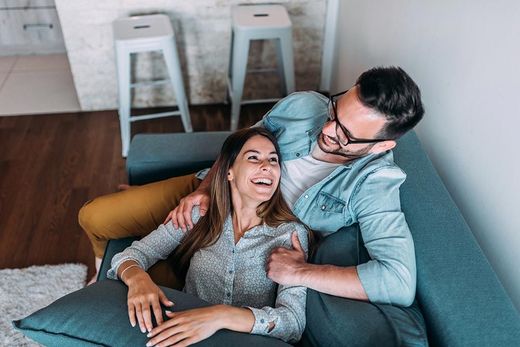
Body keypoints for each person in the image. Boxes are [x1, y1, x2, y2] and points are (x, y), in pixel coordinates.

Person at [80, 66, 427, 346]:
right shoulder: (305, 106)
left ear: (381, 146)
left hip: (262, 228)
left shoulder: (376, 183)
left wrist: (298, 272)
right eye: (336, 111)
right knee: (95, 216)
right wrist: (203, 190)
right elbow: (244, 145)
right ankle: (100, 264)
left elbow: (398, 281)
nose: (329, 128)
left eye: (346, 135)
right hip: (212, 193)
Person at [107, 127, 309, 346]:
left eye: (273, 160)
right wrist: (138, 279)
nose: (266, 166)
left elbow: (293, 323)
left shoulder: (291, 235)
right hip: (182, 337)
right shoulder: (199, 215)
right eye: (253, 157)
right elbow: (132, 255)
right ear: (228, 171)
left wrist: (221, 316)